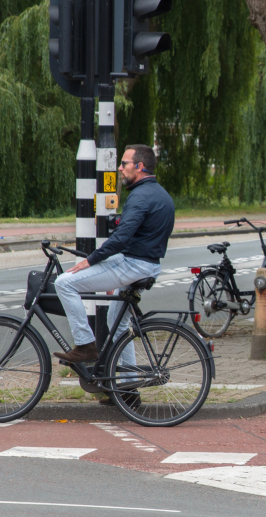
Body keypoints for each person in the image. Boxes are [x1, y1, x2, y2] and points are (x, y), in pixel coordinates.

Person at [53, 144, 175, 365]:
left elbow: (121, 238)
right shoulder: (162, 195)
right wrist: (110, 273)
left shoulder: (140, 197)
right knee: (117, 323)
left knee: (64, 283)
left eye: (124, 163)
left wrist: (91, 261)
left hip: (133, 265)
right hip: (149, 265)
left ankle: (84, 345)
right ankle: (129, 383)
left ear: (139, 166)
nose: (120, 168)